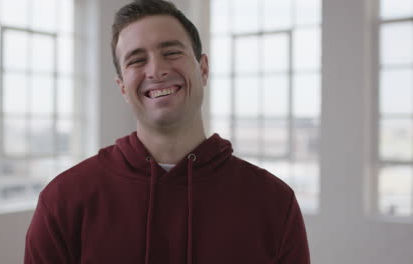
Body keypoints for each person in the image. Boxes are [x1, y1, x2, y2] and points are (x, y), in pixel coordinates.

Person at [24, 0, 310, 263]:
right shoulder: (63, 201)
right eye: (137, 60)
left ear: (204, 69)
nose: (156, 70)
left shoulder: (273, 202)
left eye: (171, 52)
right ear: (123, 87)